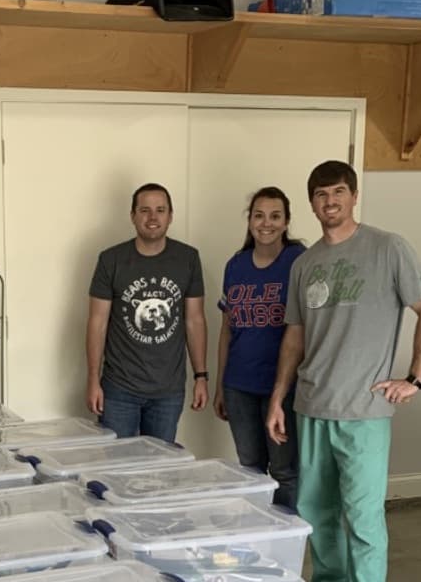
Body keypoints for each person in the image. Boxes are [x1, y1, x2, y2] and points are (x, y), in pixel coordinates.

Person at [266, 160, 421, 582]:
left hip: (366, 411)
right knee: (315, 512)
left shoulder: (389, 248)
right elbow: (294, 335)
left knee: (363, 521)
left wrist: (415, 378)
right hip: (312, 405)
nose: (330, 202)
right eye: (321, 195)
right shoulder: (303, 264)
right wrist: (280, 396)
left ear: (354, 195)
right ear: (312, 203)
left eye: (339, 192)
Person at [86, 183, 208, 443]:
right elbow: (98, 323)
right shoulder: (111, 260)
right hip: (119, 388)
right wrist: (93, 380)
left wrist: (201, 376)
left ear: (170, 216)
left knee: (159, 472)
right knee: (116, 469)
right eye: (145, 210)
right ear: (133, 216)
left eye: (160, 210)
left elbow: (195, 321)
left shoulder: (188, 258)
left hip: (168, 390)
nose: (153, 218)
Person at [214, 186, 304, 508]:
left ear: (286, 221)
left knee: (284, 469)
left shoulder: (299, 261)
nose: (266, 223)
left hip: (282, 387)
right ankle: (259, 536)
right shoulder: (235, 265)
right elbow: (226, 330)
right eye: (259, 216)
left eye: (275, 216)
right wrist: (220, 386)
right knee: (249, 467)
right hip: (239, 385)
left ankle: (287, 539)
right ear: (249, 221)